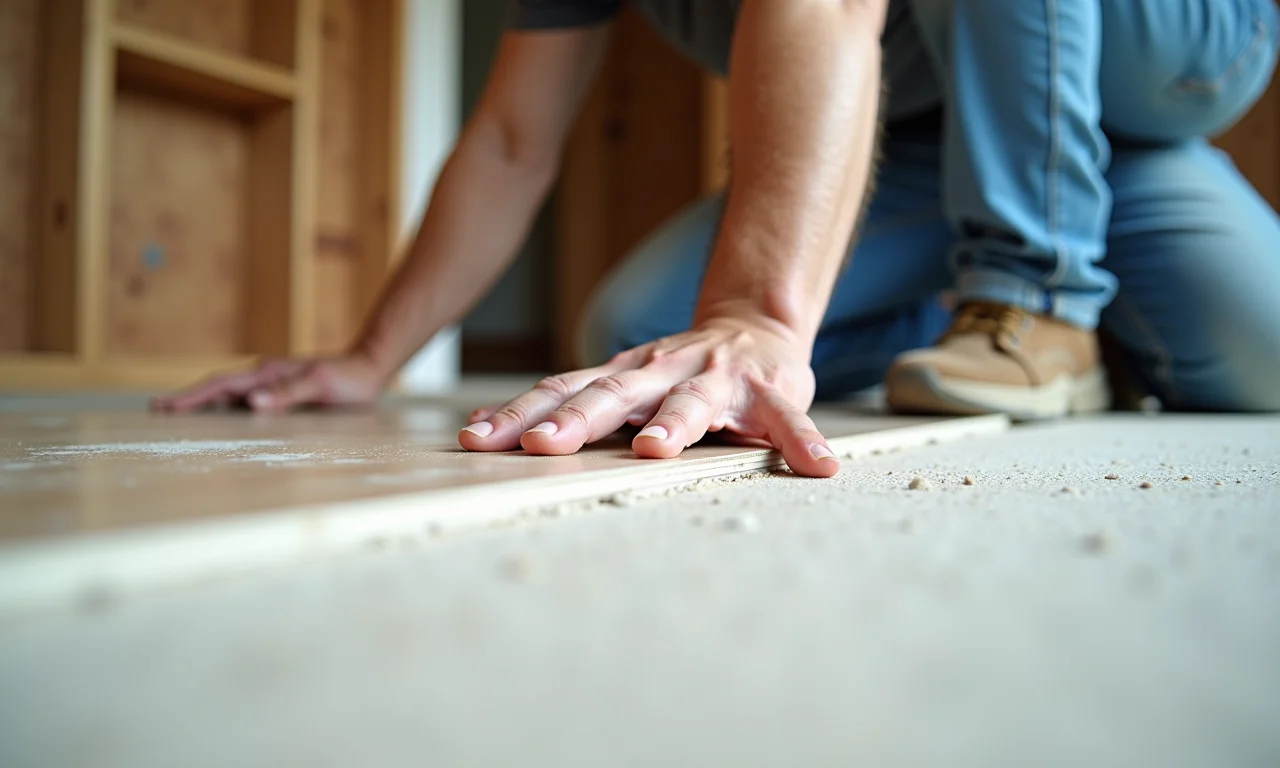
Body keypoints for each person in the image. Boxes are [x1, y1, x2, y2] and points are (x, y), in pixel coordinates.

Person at [154, 0, 1280, 479]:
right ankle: (1018, 274)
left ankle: (1039, 289)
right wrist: (368, 357)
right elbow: (508, 141)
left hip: (1169, 50)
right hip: (943, 148)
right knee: (637, 341)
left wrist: (760, 316)